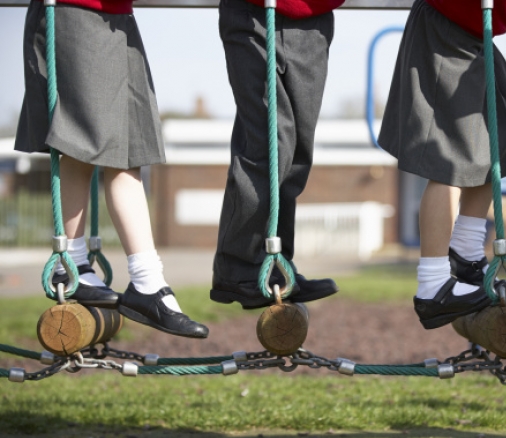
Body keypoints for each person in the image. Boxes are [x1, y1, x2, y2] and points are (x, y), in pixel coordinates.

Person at [15, 0, 209, 339]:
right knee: (80, 143)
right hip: (77, 10)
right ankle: (69, 263)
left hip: (119, 17)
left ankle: (148, 281)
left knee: (130, 152)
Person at [378, 0, 506, 330]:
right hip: (448, 22)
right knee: (448, 154)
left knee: (498, 128)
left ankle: (466, 249)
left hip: (477, 30)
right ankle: (432, 285)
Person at [210, 0, 344, 310]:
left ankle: (277, 263)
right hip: (255, 12)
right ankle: (238, 267)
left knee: (298, 151)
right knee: (271, 144)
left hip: (315, 18)